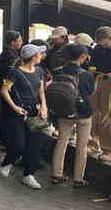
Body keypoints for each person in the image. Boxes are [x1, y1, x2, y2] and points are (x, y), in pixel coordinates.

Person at [0, 44, 48, 189]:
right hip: (19, 112)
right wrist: (14, 107)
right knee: (19, 144)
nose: (42, 56)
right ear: (34, 57)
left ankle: (29, 174)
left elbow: (41, 92)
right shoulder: (16, 72)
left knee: (34, 144)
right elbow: (4, 90)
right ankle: (8, 162)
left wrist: (44, 106)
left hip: (35, 112)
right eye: (40, 54)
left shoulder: (39, 71)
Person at [51, 43, 96, 188]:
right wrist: (96, 81)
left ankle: (57, 175)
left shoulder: (57, 71)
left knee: (61, 143)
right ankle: (78, 179)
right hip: (83, 115)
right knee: (81, 147)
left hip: (64, 112)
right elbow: (90, 92)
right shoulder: (86, 74)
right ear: (83, 56)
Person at [0, 30, 23, 148]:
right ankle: (6, 140)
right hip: (9, 90)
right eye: (19, 40)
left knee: (6, 114)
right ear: (12, 42)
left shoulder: (8, 53)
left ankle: (4, 139)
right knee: (8, 115)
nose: (21, 43)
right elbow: (11, 75)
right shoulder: (10, 56)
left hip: (2, 87)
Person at [88, 26, 111, 161]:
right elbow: (92, 62)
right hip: (96, 80)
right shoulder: (97, 49)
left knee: (106, 115)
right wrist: (91, 68)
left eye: (104, 41)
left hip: (108, 84)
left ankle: (107, 149)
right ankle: (93, 143)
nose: (102, 44)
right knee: (93, 113)